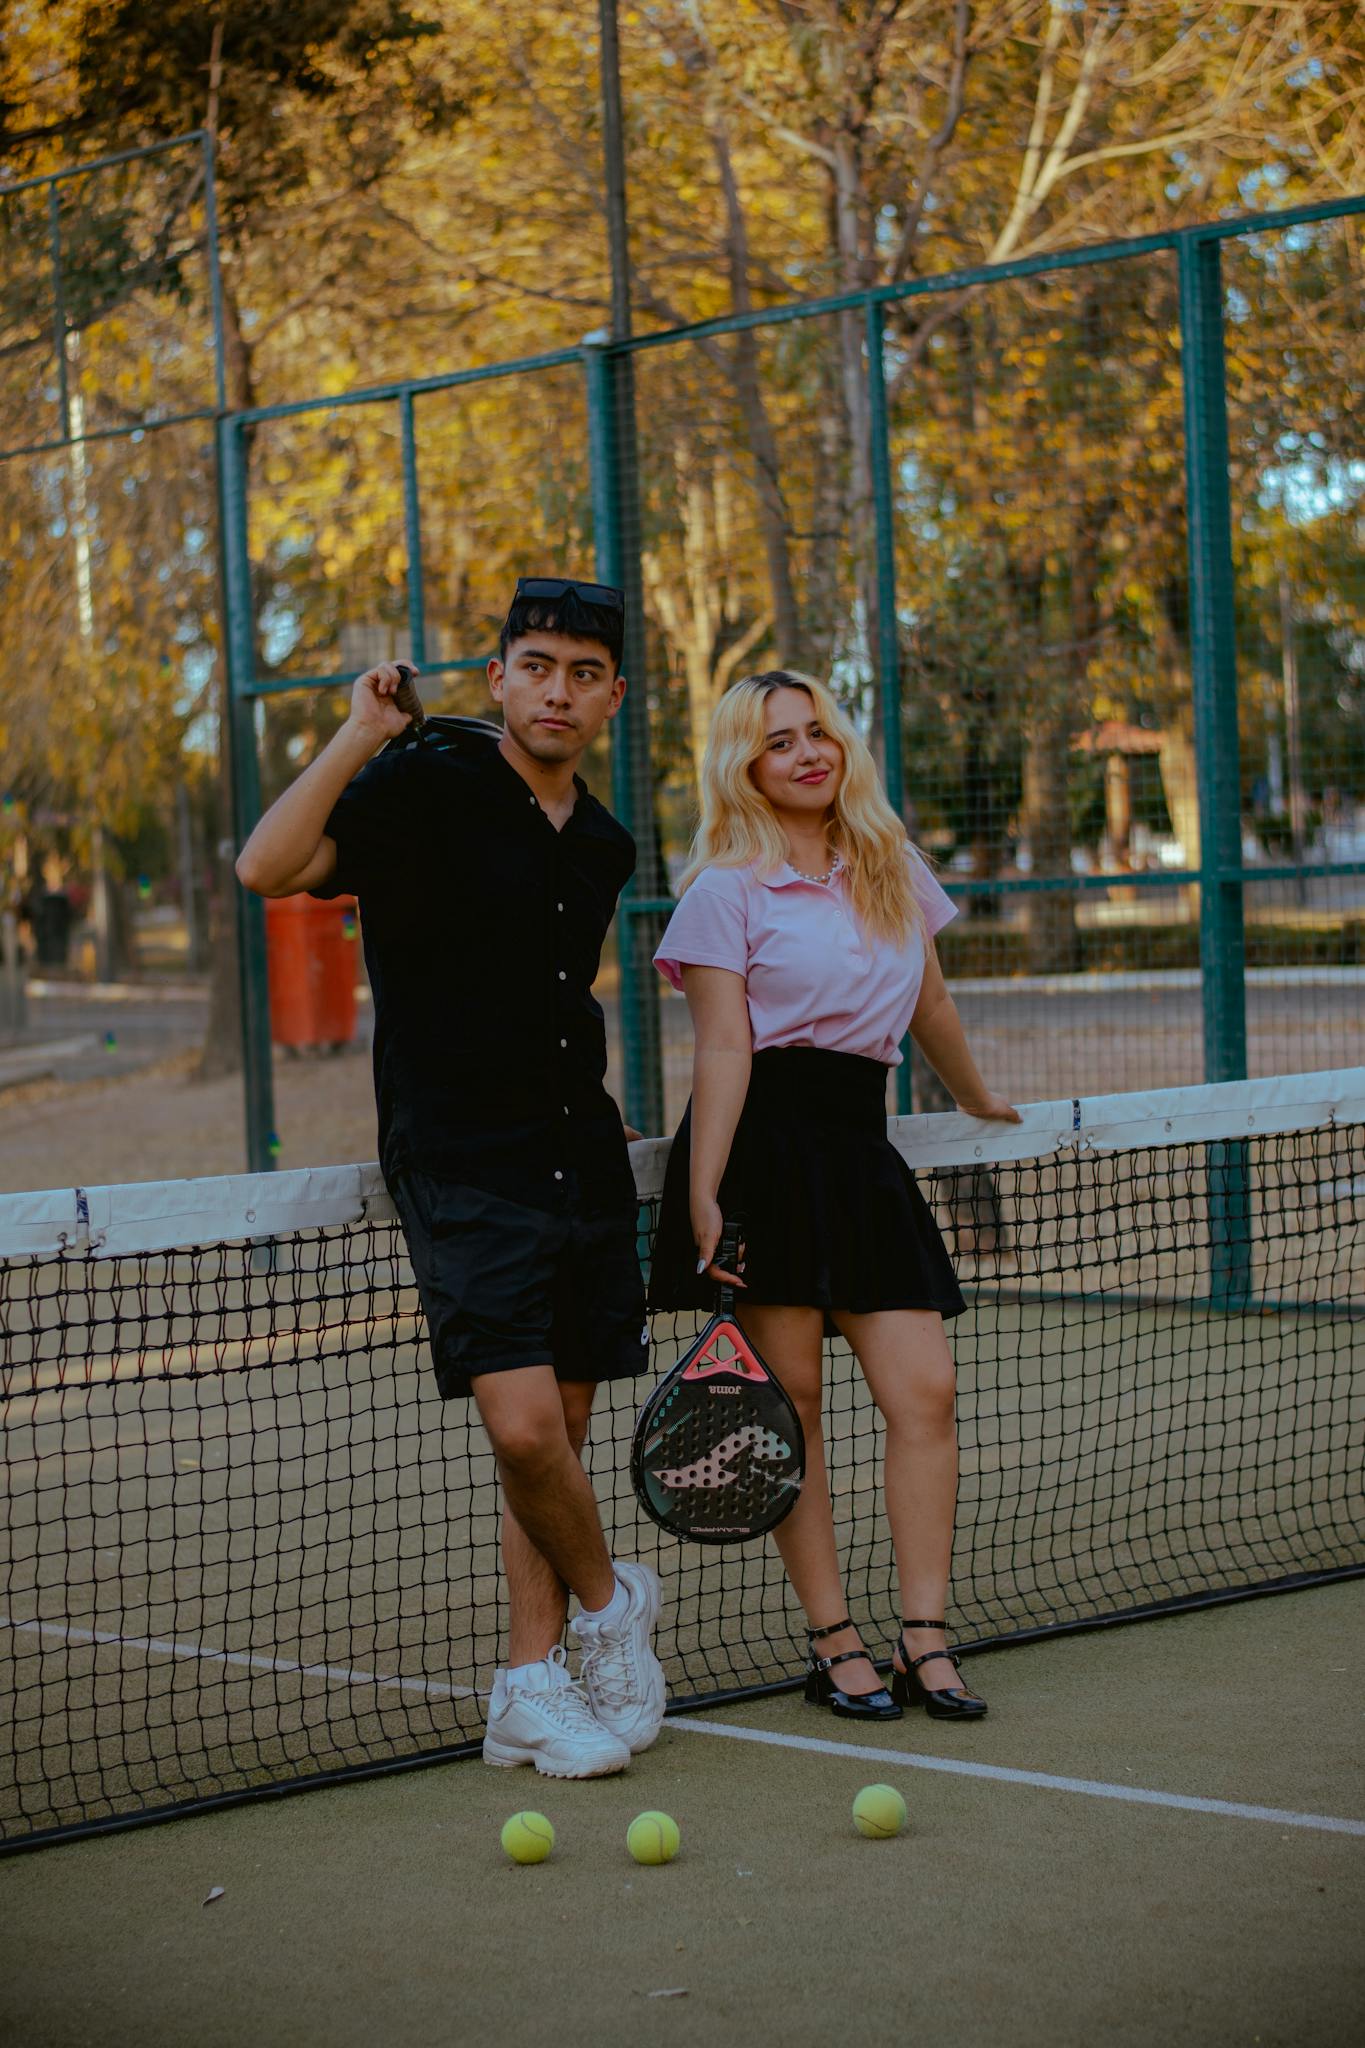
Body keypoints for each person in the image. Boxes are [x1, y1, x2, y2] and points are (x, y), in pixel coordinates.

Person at [236, 577, 666, 1779]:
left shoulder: (605, 839)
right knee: (526, 1431)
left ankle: (528, 1686)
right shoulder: (422, 782)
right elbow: (266, 864)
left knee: (567, 1435)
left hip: (580, 1152)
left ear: (612, 697)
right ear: (499, 677)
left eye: (584, 674)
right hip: (458, 1155)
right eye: (537, 664)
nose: (558, 690)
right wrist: (364, 730)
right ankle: (608, 1601)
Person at [647, 670, 1019, 1721]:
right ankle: (835, 1640)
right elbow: (723, 1043)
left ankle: (925, 1635)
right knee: (792, 1407)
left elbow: (930, 997)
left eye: (820, 733)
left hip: (861, 1152)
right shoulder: (725, 889)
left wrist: (980, 1093)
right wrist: (707, 1193)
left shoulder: (890, 864)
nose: (809, 752)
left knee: (926, 1390)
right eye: (780, 742)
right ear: (745, 766)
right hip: (765, 1152)